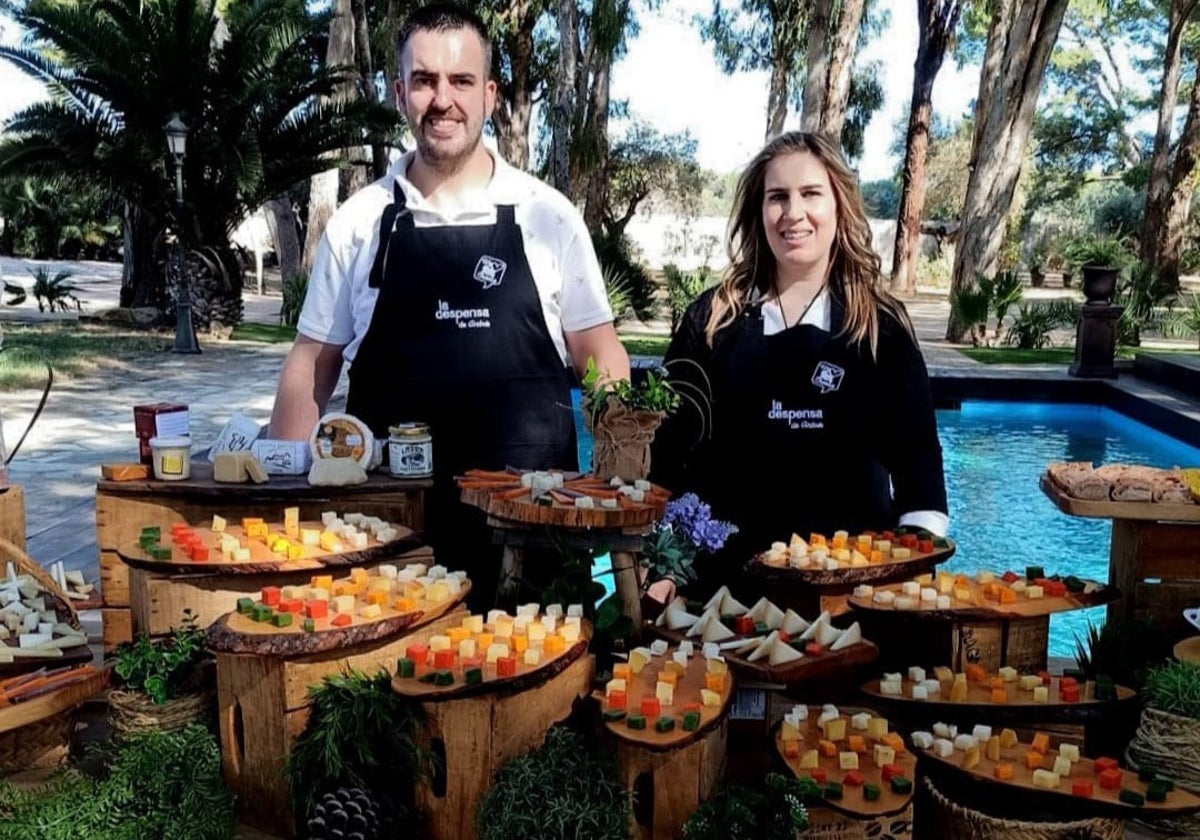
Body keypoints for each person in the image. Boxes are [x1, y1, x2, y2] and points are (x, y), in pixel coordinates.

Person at [269, 3, 629, 607]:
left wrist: (619, 489)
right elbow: (312, 364)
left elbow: (600, 356)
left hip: (534, 536)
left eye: (461, 81)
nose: (443, 99)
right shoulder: (359, 223)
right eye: (425, 80)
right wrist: (281, 502)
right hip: (386, 545)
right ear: (398, 90)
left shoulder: (548, 215)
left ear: (489, 94)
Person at [650, 131, 947, 593]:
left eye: (811, 194)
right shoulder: (711, 322)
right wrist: (664, 567)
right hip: (723, 593)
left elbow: (921, 476)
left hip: (852, 597)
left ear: (838, 205)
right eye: (777, 197)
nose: (794, 213)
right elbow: (665, 459)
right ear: (758, 211)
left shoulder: (879, 329)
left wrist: (906, 581)